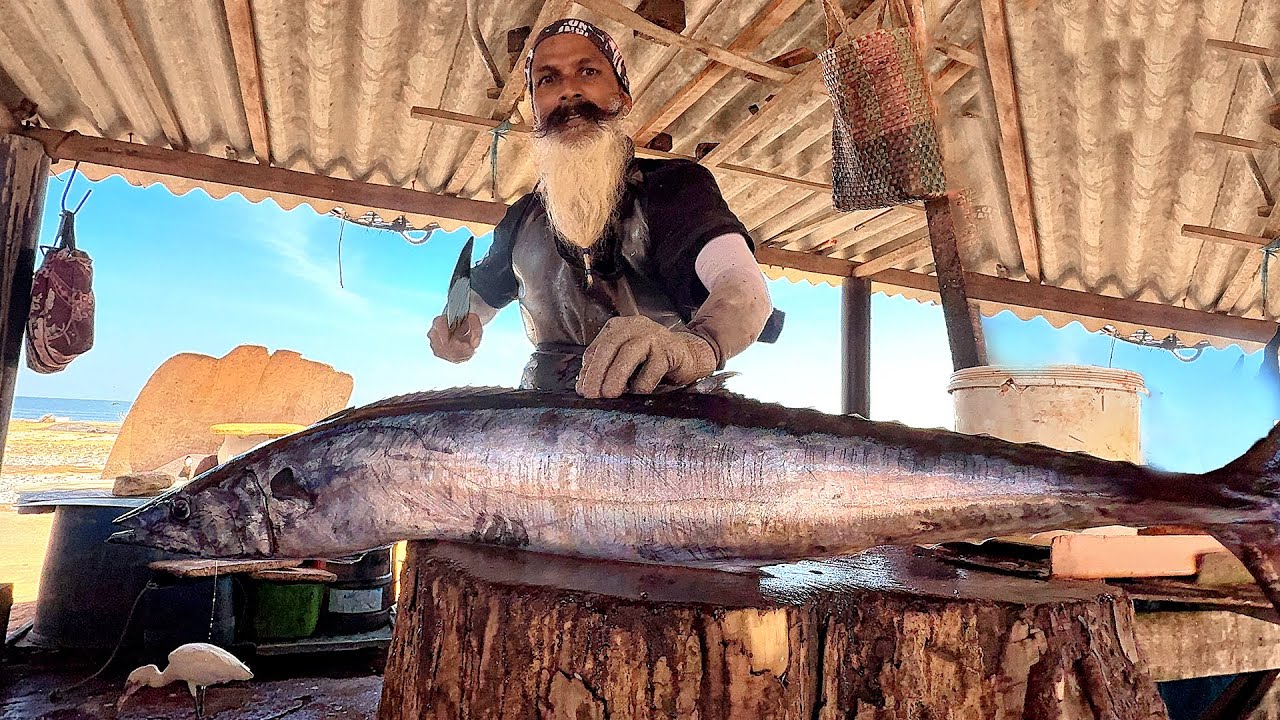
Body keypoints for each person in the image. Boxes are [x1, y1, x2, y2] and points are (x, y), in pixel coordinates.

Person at [428, 18, 781, 398]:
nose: (569, 91)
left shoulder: (675, 188)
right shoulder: (522, 218)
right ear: (534, 110)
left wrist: (695, 347)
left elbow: (744, 287)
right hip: (543, 420)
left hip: (661, 420)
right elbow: (477, 303)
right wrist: (459, 330)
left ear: (622, 98)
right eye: (548, 80)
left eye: (588, 71)